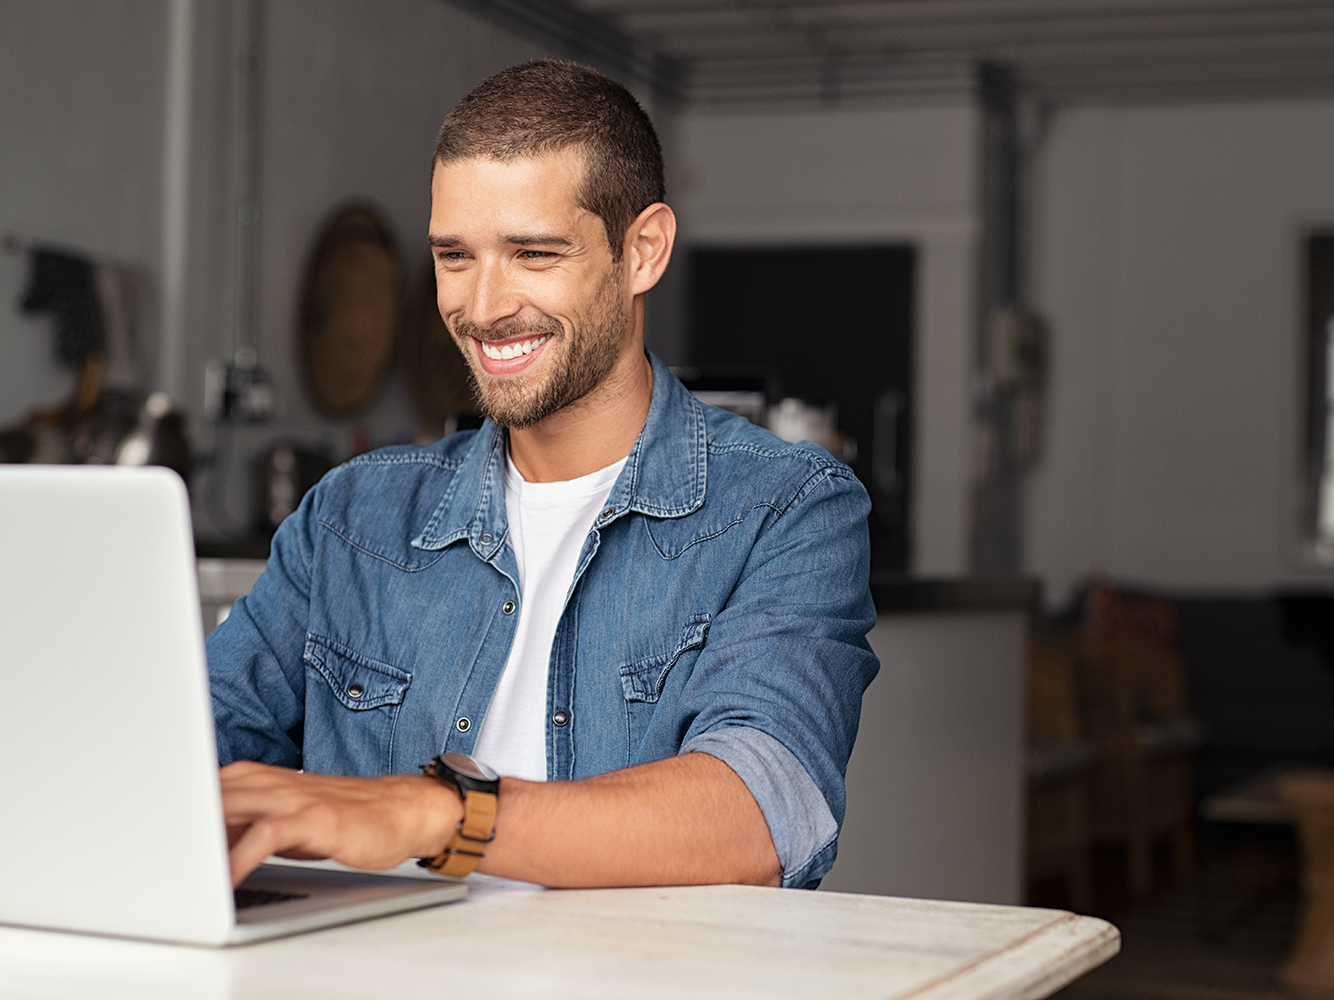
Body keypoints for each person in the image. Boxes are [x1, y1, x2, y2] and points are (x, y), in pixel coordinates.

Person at [209, 59, 879, 892]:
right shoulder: (351, 515)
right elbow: (181, 751)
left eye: (533, 253)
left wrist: (438, 814)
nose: (483, 306)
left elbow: (759, 813)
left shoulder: (786, 509)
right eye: (455, 256)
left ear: (643, 251)